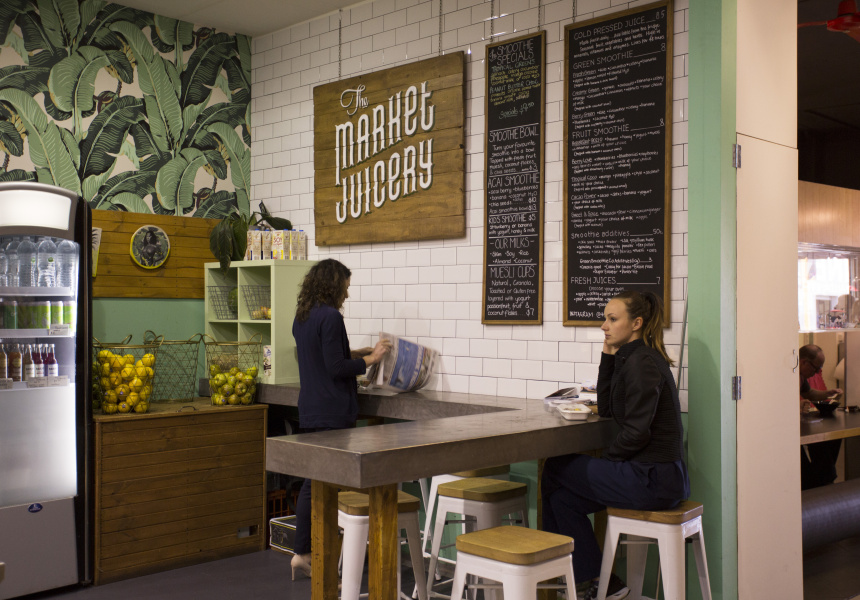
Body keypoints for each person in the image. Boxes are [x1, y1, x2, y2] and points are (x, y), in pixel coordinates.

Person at [541, 290, 690, 600]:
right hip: (652, 476)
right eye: (605, 319)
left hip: (654, 479)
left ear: (636, 323)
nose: (603, 325)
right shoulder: (633, 358)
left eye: (612, 319)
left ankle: (561, 578)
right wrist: (607, 354)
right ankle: (599, 583)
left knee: (554, 467)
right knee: (562, 501)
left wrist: (608, 461)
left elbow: (637, 433)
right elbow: (608, 408)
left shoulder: (642, 362)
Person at [289, 259, 390, 579]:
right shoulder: (331, 316)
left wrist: (359, 353)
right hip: (332, 410)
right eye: (345, 288)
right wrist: (371, 359)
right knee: (318, 483)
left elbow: (325, 357)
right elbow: (335, 368)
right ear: (333, 286)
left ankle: (309, 551)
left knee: (314, 480)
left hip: (311, 408)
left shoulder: (303, 317)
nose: (347, 294)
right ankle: (306, 552)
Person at [798, 344, 843, 490]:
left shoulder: (801, 377)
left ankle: (824, 483)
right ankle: (821, 484)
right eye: (815, 368)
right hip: (780, 433)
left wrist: (828, 393)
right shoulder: (787, 375)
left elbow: (810, 393)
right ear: (804, 362)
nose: (817, 372)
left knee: (828, 442)